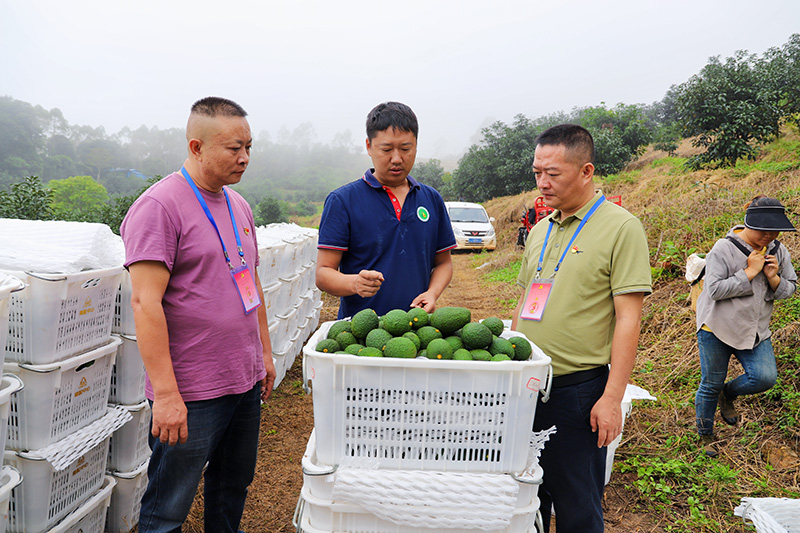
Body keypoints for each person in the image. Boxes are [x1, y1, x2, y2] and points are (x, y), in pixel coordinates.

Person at [121, 96, 276, 532]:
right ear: (196, 146)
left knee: (232, 486)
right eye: (233, 148)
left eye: (249, 146)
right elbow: (145, 303)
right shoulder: (159, 207)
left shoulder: (238, 205)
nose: (244, 157)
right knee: (169, 504)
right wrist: (167, 396)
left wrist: (263, 353)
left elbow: (252, 286)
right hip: (192, 389)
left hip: (241, 379)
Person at [510, 124, 651, 533]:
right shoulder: (540, 229)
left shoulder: (621, 228)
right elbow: (523, 303)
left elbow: (628, 318)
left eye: (553, 173)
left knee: (577, 503)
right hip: (527, 387)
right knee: (527, 497)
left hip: (577, 392)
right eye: (537, 172)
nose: (542, 182)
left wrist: (611, 398)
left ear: (586, 171)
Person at [316, 101, 456, 318]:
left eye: (406, 149)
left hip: (416, 330)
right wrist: (355, 283)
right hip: (360, 335)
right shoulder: (343, 201)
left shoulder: (431, 199)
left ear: (416, 146)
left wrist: (432, 292)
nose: (397, 159)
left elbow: (444, 263)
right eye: (387, 149)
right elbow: (324, 274)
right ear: (369, 146)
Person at [695, 196, 796, 457]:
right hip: (716, 327)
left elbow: (790, 289)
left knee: (765, 377)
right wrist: (749, 273)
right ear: (748, 223)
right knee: (710, 383)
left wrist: (774, 278)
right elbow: (714, 290)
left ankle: (728, 394)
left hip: (754, 329)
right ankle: (705, 435)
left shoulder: (778, 250)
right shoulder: (723, 249)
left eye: (774, 230)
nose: (769, 235)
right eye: (763, 230)